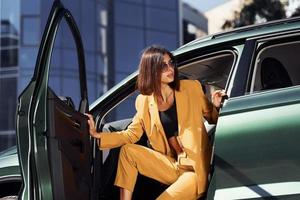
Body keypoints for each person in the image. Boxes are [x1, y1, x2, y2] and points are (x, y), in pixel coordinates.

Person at [86, 45, 225, 200]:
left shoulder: (191, 88)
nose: (170, 68)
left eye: (171, 63)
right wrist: (96, 135)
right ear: (151, 70)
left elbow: (212, 118)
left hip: (194, 171)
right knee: (128, 151)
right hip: (172, 165)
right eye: (163, 65)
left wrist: (216, 106)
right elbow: (131, 134)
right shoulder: (144, 101)